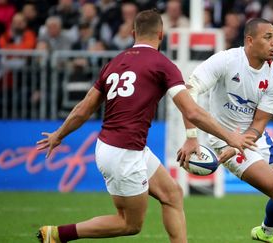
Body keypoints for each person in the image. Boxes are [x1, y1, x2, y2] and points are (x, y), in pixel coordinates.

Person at [36, 9, 256, 243]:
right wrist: (230, 137)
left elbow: (84, 108)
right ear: (161, 34)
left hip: (122, 147)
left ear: (133, 33)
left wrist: (59, 134)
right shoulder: (163, 65)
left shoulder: (115, 62)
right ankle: (58, 234)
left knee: (172, 194)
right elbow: (191, 110)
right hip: (124, 153)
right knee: (129, 224)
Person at [178, 18, 273, 243]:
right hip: (223, 141)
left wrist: (243, 140)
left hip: (253, 137)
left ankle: (264, 233)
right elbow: (189, 91)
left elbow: (259, 123)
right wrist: (192, 136)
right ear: (249, 40)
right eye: (268, 37)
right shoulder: (227, 60)